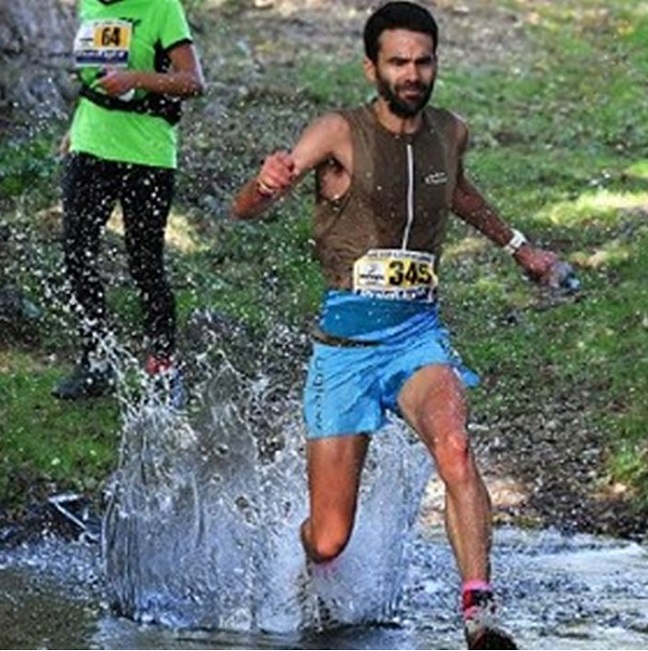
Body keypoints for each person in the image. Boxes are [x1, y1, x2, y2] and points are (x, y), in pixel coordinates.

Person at [229, 2, 569, 647]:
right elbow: (249, 207)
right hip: (346, 347)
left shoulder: (451, 131)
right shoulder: (336, 131)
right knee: (329, 539)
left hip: (416, 336)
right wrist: (263, 184)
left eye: (423, 61)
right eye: (398, 62)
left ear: (435, 63)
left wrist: (521, 248)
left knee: (457, 448)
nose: (412, 74)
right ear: (372, 67)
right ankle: (287, 558)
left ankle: (478, 613)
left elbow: (457, 192)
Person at [55, 0, 203, 401]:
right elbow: (94, 77)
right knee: (77, 252)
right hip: (90, 145)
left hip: (147, 154)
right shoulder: (89, 6)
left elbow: (193, 82)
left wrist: (137, 78)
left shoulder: (161, 8)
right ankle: (96, 359)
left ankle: (164, 369)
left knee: (144, 263)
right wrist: (75, 128)